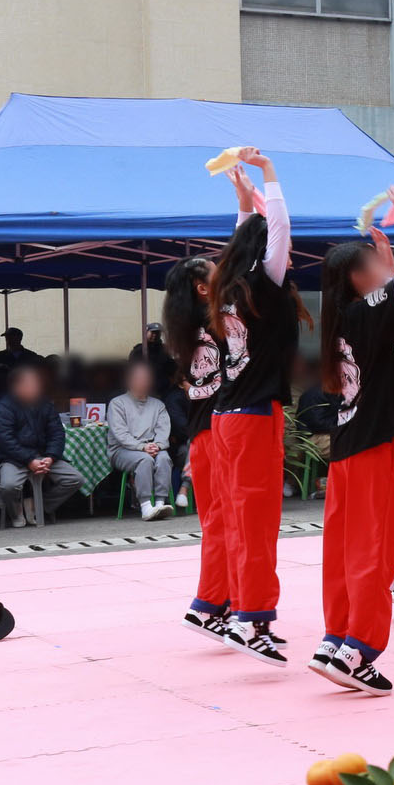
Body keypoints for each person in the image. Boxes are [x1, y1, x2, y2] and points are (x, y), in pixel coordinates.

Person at [313, 186, 394, 696]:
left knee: (344, 549)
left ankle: (336, 639)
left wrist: (387, 258)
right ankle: (358, 651)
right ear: (358, 278)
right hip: (371, 446)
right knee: (373, 549)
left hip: (348, 443)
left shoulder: (345, 316)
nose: (385, 271)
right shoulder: (366, 312)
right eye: (375, 267)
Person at [208, 150, 306, 668]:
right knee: (256, 524)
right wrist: (269, 175)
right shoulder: (263, 285)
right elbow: (279, 230)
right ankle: (250, 619)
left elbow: (247, 238)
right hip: (251, 419)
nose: (288, 257)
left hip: (227, 417)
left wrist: (245, 202)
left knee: (239, 520)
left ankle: (240, 614)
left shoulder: (228, 287)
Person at [165, 252, 228, 640]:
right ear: (203, 289)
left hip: (206, 433)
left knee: (218, 521)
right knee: (222, 521)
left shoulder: (189, 327)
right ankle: (208, 604)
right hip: (215, 432)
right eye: (217, 272)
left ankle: (222, 601)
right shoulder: (216, 324)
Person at [0, 363, 84, 523]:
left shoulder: (45, 404)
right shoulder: (2, 408)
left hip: (43, 456)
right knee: (8, 486)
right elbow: (4, 441)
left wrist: (51, 457)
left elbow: (57, 433)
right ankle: (16, 511)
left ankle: (39, 506)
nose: (35, 387)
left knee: (75, 479)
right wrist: (29, 459)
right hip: (12, 459)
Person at [107, 359, 175, 520]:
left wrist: (157, 445)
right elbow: (120, 434)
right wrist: (141, 447)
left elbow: (163, 431)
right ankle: (145, 506)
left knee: (164, 458)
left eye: (146, 378)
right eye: (139, 378)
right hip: (122, 450)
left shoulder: (158, 405)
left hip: (153, 447)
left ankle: (160, 503)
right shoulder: (117, 404)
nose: (143, 381)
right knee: (145, 460)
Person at [130, 322, 178, 393]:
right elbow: (132, 371)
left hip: (163, 390)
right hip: (144, 390)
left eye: (157, 333)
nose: (155, 335)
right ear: (146, 333)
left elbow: (172, 368)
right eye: (152, 332)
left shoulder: (165, 349)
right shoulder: (139, 350)